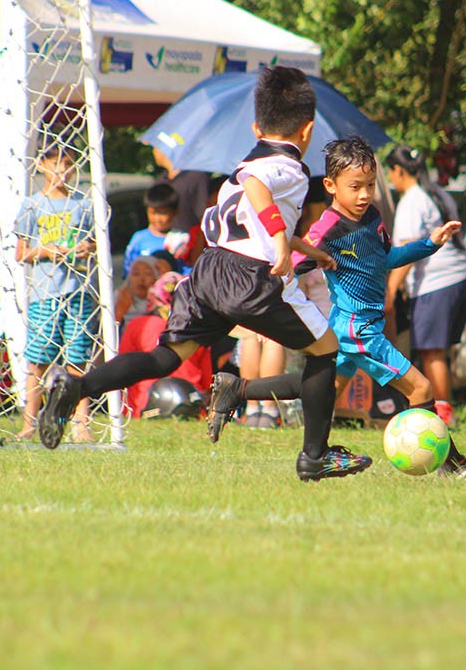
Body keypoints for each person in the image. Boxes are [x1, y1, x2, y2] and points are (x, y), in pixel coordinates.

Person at [37, 66, 372, 482]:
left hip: (210, 272)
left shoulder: (241, 165)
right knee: (325, 350)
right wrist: (284, 244)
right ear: (307, 130)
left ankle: (77, 387)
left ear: (255, 126)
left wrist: (307, 249)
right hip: (251, 277)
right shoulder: (286, 168)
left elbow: (250, 213)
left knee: (164, 358)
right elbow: (258, 189)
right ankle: (314, 456)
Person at [208, 136, 466, 478]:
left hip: (344, 326)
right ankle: (454, 468)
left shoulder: (372, 217)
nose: (364, 194)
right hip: (357, 329)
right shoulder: (327, 231)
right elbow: (286, 267)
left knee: (319, 391)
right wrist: (259, 314)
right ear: (330, 186)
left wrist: (430, 244)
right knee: (421, 389)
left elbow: (387, 258)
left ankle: (238, 389)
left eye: (370, 184)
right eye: (355, 187)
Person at [384, 145, 466, 427]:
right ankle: (443, 409)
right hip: (460, 276)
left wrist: (388, 293)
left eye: (390, 172)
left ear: (398, 171)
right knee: (439, 349)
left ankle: (443, 416)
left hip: (437, 281)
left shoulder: (412, 200)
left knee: (431, 349)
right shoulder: (437, 192)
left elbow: (408, 252)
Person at [13, 147, 97, 443]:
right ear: (42, 165)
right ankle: (29, 422)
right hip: (46, 293)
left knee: (78, 359)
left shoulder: (83, 205)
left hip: (78, 292)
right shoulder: (32, 205)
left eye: (68, 163)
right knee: (38, 360)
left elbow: (94, 244)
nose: (62, 169)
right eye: (55, 163)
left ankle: (81, 424)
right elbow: (21, 253)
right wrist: (48, 252)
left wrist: (88, 248)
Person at [119, 272, 212, 418]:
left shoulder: (137, 325)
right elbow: (207, 383)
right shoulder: (200, 328)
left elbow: (122, 370)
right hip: (192, 407)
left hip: (142, 407)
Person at [122, 181, 190, 278]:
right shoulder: (139, 238)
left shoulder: (182, 239)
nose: (158, 219)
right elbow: (128, 271)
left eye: (163, 213)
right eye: (153, 213)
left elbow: (188, 271)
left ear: (175, 212)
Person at [115, 254, 169, 325]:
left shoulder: (166, 303)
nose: (141, 279)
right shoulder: (118, 298)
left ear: (157, 278)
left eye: (148, 274)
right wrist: (119, 312)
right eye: (136, 274)